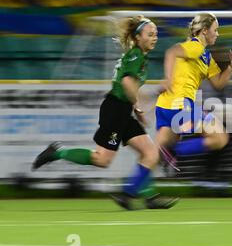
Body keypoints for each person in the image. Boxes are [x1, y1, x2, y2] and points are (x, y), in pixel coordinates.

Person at [32, 15, 177, 210]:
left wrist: (136, 108)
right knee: (102, 159)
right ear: (138, 37)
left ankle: (145, 195)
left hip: (123, 109)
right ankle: (57, 153)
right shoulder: (136, 56)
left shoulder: (138, 56)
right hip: (115, 110)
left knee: (150, 152)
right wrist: (143, 102)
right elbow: (126, 83)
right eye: (150, 34)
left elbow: (127, 86)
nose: (155, 37)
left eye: (156, 34)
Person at [155, 12, 232, 168]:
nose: (217, 34)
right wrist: (168, 79)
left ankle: (133, 187)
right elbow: (172, 51)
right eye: (215, 30)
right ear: (205, 31)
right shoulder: (196, 46)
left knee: (154, 153)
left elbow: (218, 84)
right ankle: (173, 152)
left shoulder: (205, 56)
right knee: (220, 138)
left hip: (168, 105)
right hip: (180, 105)